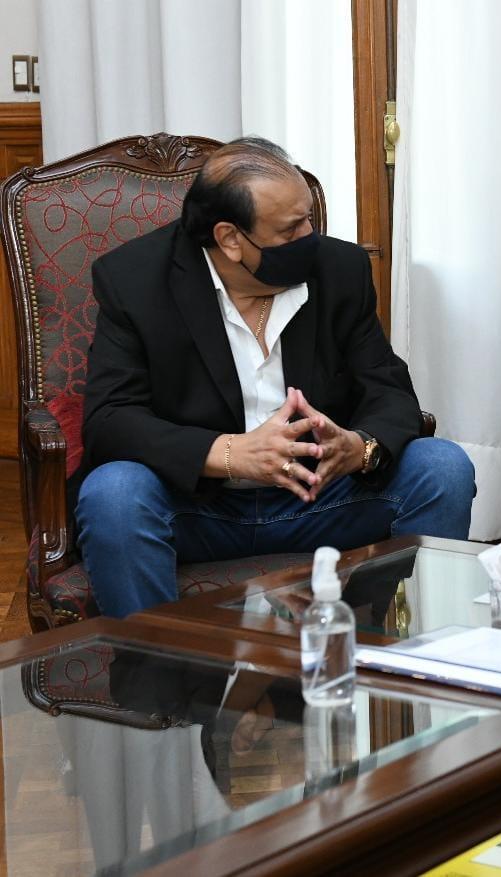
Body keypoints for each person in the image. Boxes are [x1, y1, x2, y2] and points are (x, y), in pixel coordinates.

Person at [76, 136, 475, 618]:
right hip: (200, 509)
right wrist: (230, 453)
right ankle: (158, 678)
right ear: (230, 239)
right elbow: (110, 419)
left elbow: (388, 387)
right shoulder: (135, 280)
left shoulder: (339, 268)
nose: (311, 235)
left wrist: (359, 447)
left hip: (320, 500)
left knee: (442, 467)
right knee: (114, 495)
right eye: (291, 230)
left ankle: (415, 658)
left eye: (309, 217)